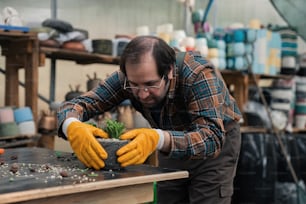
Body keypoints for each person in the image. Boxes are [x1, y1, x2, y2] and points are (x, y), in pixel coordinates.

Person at [57, 35, 242, 204]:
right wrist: (71, 126)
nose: (142, 94)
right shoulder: (128, 78)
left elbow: (211, 138)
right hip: (171, 144)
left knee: (207, 198)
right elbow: (77, 105)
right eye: (134, 85)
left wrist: (157, 138)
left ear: (169, 71)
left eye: (150, 84)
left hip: (215, 147)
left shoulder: (198, 74)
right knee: (168, 197)